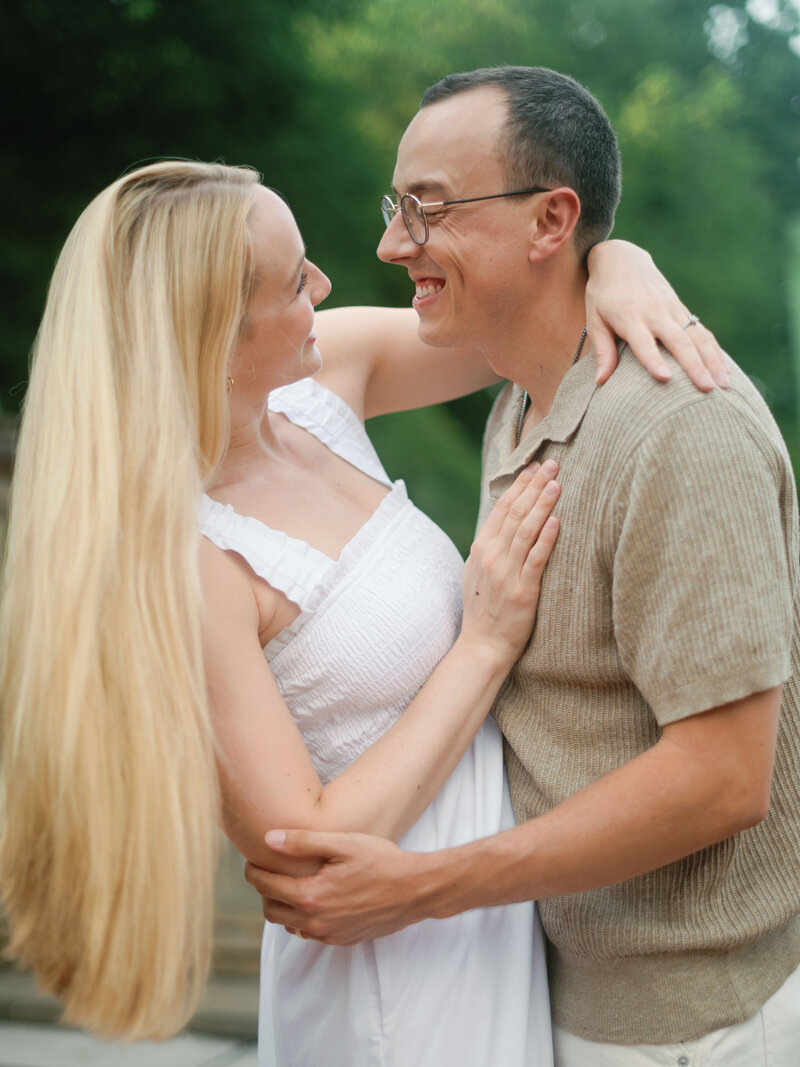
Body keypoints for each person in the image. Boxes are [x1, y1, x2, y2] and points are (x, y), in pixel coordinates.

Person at [0, 158, 722, 1061]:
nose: (325, 284)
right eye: (296, 279)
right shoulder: (182, 559)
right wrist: (484, 642)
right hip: (395, 982)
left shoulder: (317, 379)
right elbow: (306, 852)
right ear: (212, 329)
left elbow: (522, 316)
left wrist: (620, 263)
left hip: (488, 922)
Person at [245, 67, 800, 1066]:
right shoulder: (520, 402)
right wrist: (613, 259)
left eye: (427, 207)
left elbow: (722, 777)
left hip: (693, 1026)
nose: (387, 243)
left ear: (550, 220)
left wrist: (429, 882)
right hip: (550, 994)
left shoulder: (681, 429)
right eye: (392, 205)